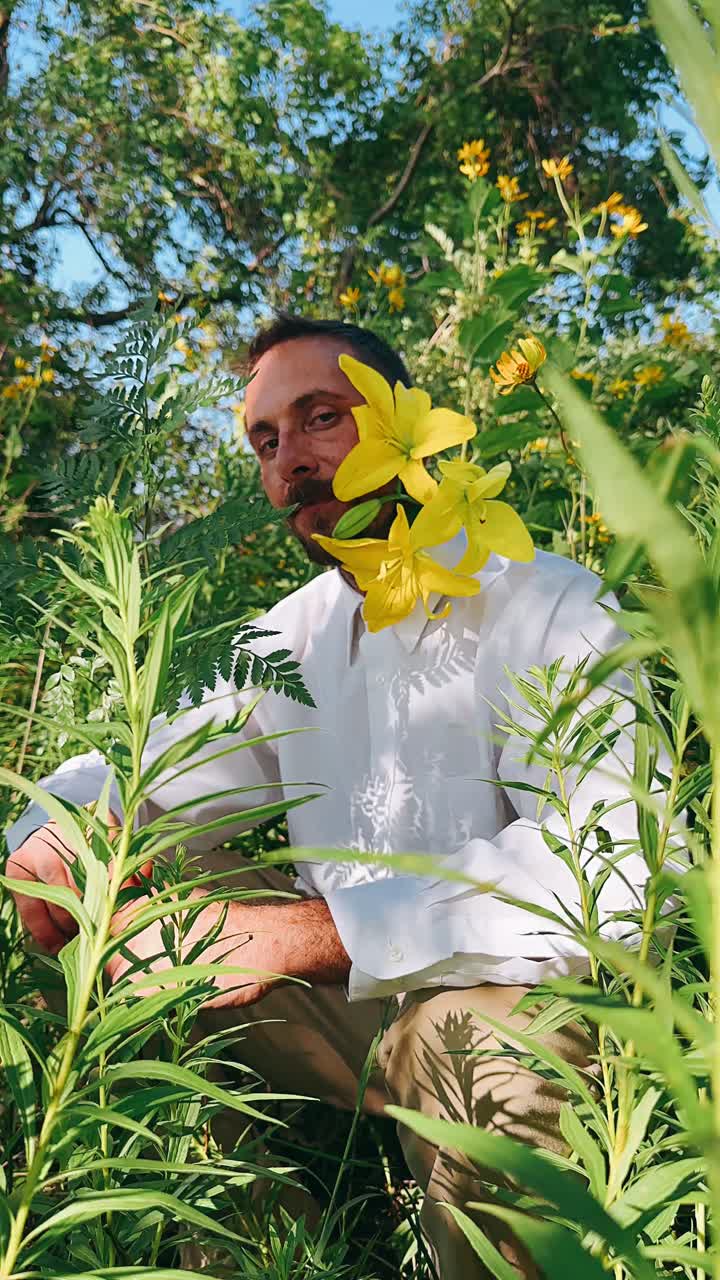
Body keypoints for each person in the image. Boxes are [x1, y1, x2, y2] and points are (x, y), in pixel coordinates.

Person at [5, 315, 646, 1278]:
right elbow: (146, 760)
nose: (291, 461)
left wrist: (312, 930)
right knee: (133, 894)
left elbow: (614, 864)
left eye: (320, 418)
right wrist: (52, 834)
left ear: (406, 424)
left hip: (508, 1019)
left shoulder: (546, 601)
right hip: (345, 1015)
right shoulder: (297, 632)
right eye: (266, 441)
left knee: (475, 1036)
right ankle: (254, 1252)